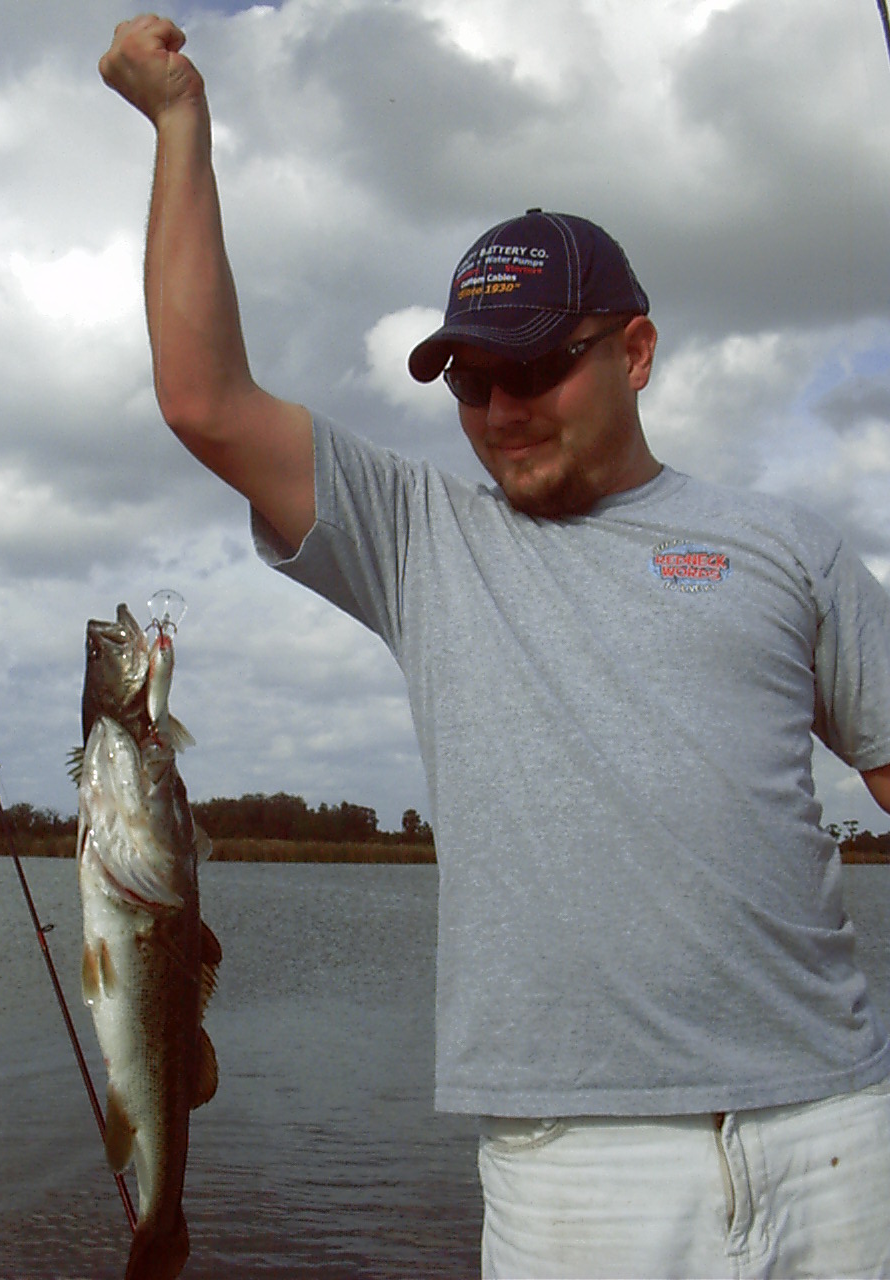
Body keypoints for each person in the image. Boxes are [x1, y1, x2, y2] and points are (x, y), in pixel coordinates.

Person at [100, 16, 890, 1278]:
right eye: (470, 381)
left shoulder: (788, 546)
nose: (502, 409)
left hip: (839, 1124)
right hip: (573, 1167)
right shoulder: (423, 538)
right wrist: (180, 119)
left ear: (636, 350)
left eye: (535, 366)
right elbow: (205, 398)